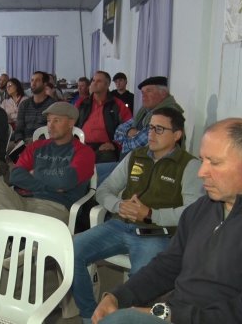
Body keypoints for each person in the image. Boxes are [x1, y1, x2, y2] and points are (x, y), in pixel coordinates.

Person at [91, 118, 242, 324]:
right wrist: (118, 296)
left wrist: (165, 314)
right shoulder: (200, 210)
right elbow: (168, 265)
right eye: (202, 160)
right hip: (176, 310)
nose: (202, 172)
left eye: (214, 162)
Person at [73, 107, 204, 324]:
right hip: (119, 225)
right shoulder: (136, 156)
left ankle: (124, 319)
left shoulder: (189, 166)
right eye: (150, 127)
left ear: (177, 135)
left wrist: (151, 213)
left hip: (156, 234)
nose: (151, 133)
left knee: (143, 281)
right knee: (72, 250)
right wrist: (118, 205)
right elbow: (105, 189)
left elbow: (192, 212)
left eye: (159, 129)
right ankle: (89, 315)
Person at [0, 102, 95, 223]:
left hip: (54, 206)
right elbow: (15, 176)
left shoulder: (84, 152)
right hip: (21, 199)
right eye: (49, 121)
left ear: (71, 123)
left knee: (13, 218)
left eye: (56, 120)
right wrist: (51, 185)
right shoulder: (36, 146)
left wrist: (34, 173)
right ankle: (15, 227)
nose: (51, 126)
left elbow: (65, 180)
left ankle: (11, 228)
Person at [114, 76, 183, 158]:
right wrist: (129, 131)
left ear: (163, 93)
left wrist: (124, 141)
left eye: (149, 91)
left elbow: (137, 144)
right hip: (132, 160)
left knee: (98, 169)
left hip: (152, 166)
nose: (143, 95)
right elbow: (118, 130)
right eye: (142, 92)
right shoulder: (145, 111)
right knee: (96, 168)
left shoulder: (168, 113)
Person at [76, 71, 132, 163]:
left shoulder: (117, 105)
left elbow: (129, 127)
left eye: (99, 81)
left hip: (105, 148)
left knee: (106, 159)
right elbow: (71, 124)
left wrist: (115, 144)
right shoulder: (82, 103)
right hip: (82, 144)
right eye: (93, 80)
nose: (94, 83)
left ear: (107, 85)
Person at [13, 71, 55, 144]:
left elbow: (53, 130)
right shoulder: (24, 104)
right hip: (24, 142)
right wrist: (20, 142)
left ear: (45, 84)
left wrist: (35, 141)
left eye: (37, 80)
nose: (33, 83)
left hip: (44, 143)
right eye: (32, 80)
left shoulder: (52, 105)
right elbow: (19, 128)